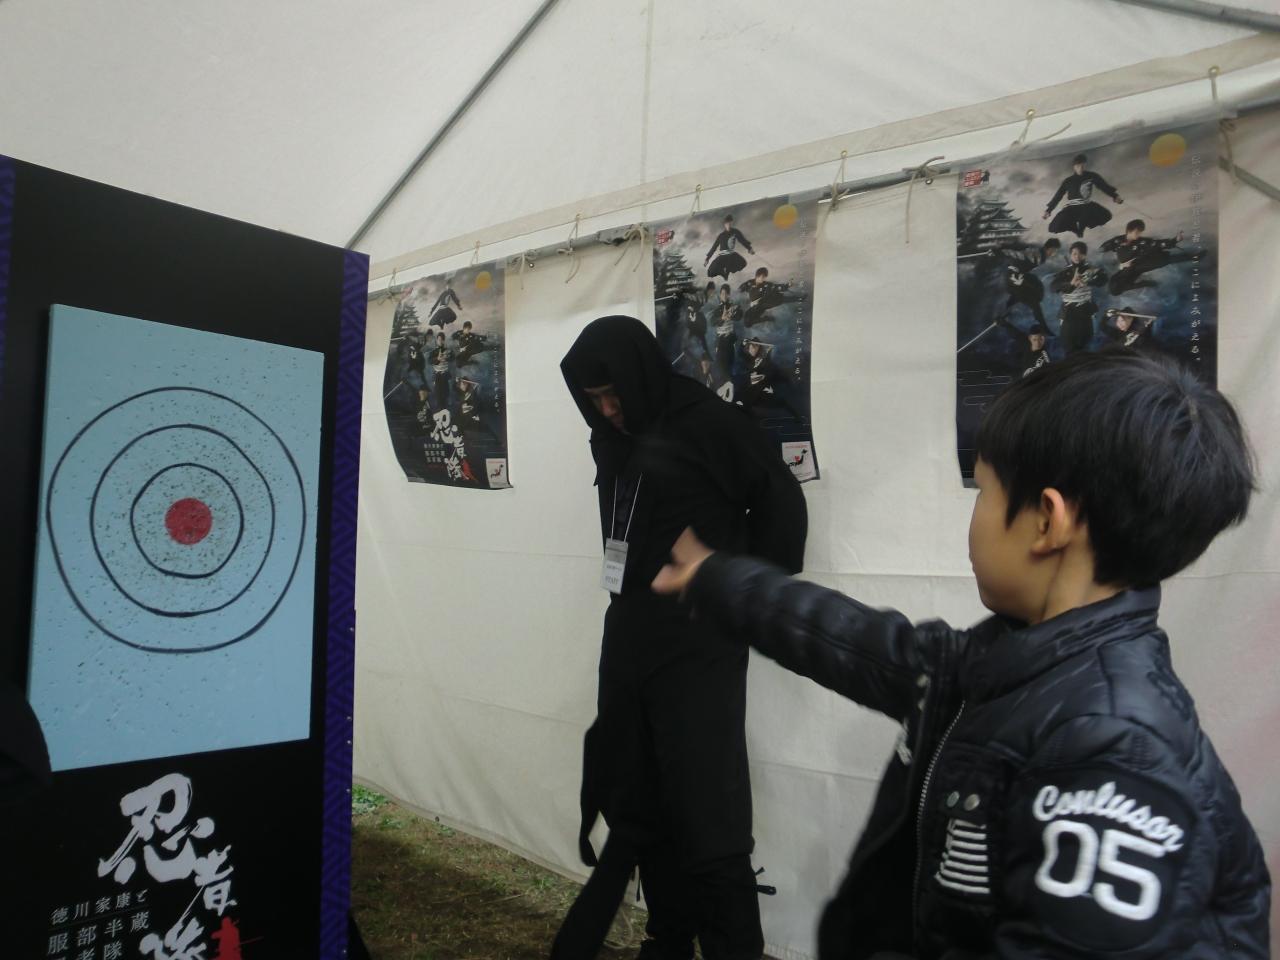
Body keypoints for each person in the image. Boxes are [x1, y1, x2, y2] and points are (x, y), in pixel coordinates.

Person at [652, 349, 1269, 960]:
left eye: (985, 491)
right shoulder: (1005, 661)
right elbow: (857, 642)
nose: (974, 517)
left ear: (1047, 522)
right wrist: (720, 580)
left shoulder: (1111, 754)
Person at [554, 316, 807, 960]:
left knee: (707, 805)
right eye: (593, 400)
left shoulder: (710, 424)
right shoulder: (611, 437)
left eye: (614, 395)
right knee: (637, 796)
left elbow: (779, 504)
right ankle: (667, 939)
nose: (607, 411)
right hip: (628, 633)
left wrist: (741, 587)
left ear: (640, 376)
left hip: (697, 641)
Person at [1101, 220, 1197, 295]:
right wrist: (1153, 284)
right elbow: (1141, 283)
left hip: (1138, 263)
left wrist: (1175, 240)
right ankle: (1193, 257)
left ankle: (1192, 256)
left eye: (1140, 232)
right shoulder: (1118, 241)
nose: (1138, 235)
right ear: (1129, 230)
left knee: (1159, 253)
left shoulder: (1139, 241)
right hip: (1140, 266)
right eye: (1137, 232)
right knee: (1165, 260)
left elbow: (1156, 243)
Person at [1043, 153, 1123, 237]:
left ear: (1084, 165)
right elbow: (1058, 196)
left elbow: (1103, 186)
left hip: (1087, 206)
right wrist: (1048, 210)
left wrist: (1115, 196)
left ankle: (1081, 229)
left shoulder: (1091, 176)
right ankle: (1074, 228)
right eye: (1078, 166)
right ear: (1074, 167)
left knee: (1106, 215)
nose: (1080, 168)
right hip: (1072, 207)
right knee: (1054, 227)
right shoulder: (1068, 181)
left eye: (1082, 165)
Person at [1050, 241, 1107, 354]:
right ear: (1071, 255)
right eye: (1074, 253)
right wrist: (1071, 283)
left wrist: (1088, 281)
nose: (1077, 256)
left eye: (1081, 253)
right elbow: (1053, 287)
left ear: (1084, 255)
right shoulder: (1065, 272)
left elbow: (1103, 280)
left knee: (1085, 344)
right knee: (1068, 346)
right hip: (1069, 313)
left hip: (1085, 311)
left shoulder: (1091, 269)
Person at [987, 238, 1059, 328]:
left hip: (1017, 275)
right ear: (1050, 249)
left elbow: (1019, 249)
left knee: (1032, 290)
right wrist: (998, 251)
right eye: (1054, 251)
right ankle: (1003, 316)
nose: (1054, 254)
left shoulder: (1041, 255)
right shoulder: (1037, 254)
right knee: (1032, 294)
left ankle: (1007, 312)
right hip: (1013, 275)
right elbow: (1017, 254)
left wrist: (1001, 247)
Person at [739, 267, 805, 328]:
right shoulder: (749, 283)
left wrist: (787, 285)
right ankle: (767, 318)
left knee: (780, 299)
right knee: (747, 322)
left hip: (765, 303)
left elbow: (777, 287)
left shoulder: (766, 285)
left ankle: (799, 299)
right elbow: (740, 290)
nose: (763, 279)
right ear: (757, 275)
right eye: (762, 277)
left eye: (765, 277)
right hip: (755, 307)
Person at [704, 214, 755, 280]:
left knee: (743, 263)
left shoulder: (735, 232)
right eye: (727, 223)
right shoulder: (721, 235)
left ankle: (727, 271)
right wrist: (707, 259)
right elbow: (714, 247)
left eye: (730, 223)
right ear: (724, 224)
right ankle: (723, 272)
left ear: (731, 223)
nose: (728, 224)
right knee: (710, 272)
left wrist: (749, 248)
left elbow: (742, 240)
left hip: (732, 255)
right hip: (722, 256)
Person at [429, 331, 454, 411]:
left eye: (441, 340)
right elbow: (430, 361)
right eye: (438, 339)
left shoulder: (448, 350)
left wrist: (447, 357)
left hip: (445, 374)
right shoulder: (433, 351)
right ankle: (440, 410)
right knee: (438, 394)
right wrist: (437, 359)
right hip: (437, 375)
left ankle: (445, 409)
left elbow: (453, 358)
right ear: (436, 340)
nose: (440, 341)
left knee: (445, 392)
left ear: (444, 341)